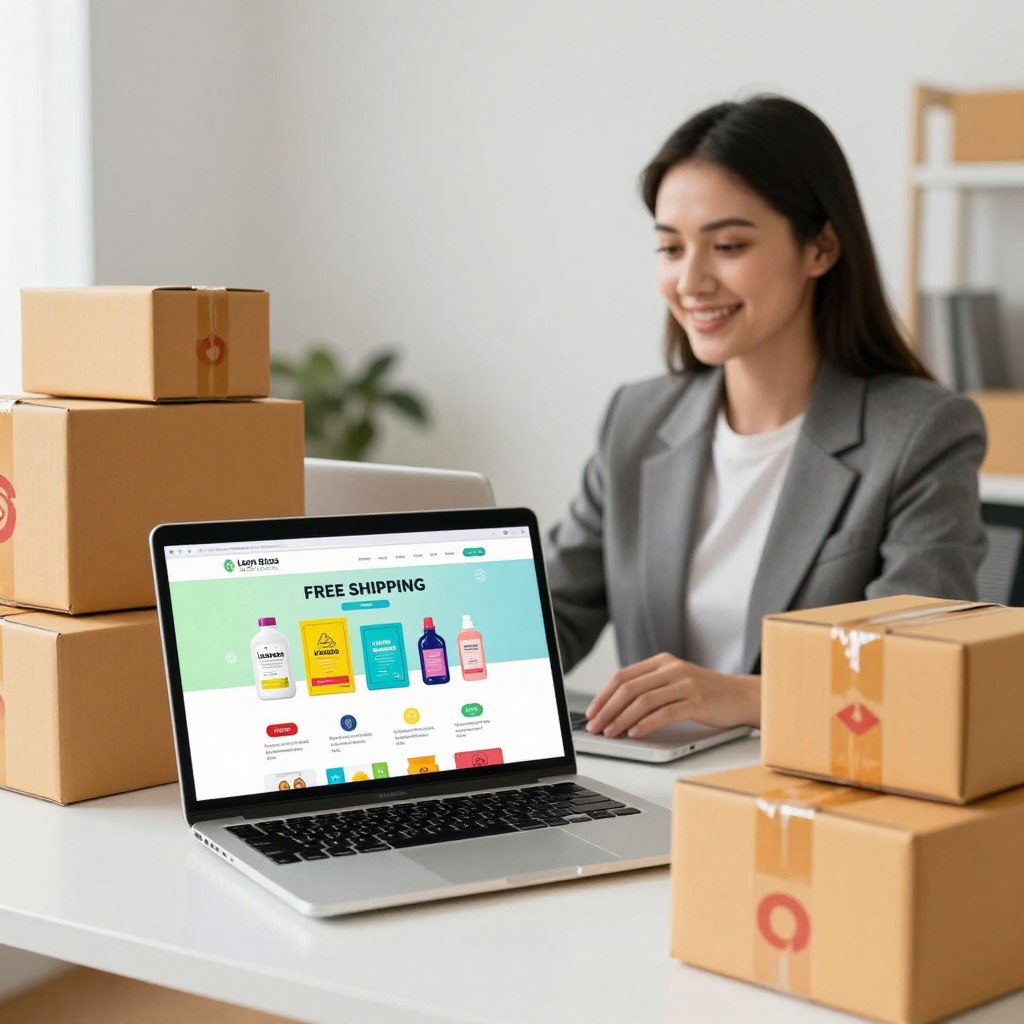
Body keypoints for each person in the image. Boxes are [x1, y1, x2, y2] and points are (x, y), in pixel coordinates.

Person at [544, 95, 987, 741]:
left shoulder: (920, 432)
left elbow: (920, 677)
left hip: (817, 796)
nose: (691, 281)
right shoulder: (635, 420)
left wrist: (747, 697)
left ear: (822, 247)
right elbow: (551, 615)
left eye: (727, 245)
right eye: (670, 248)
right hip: (651, 788)